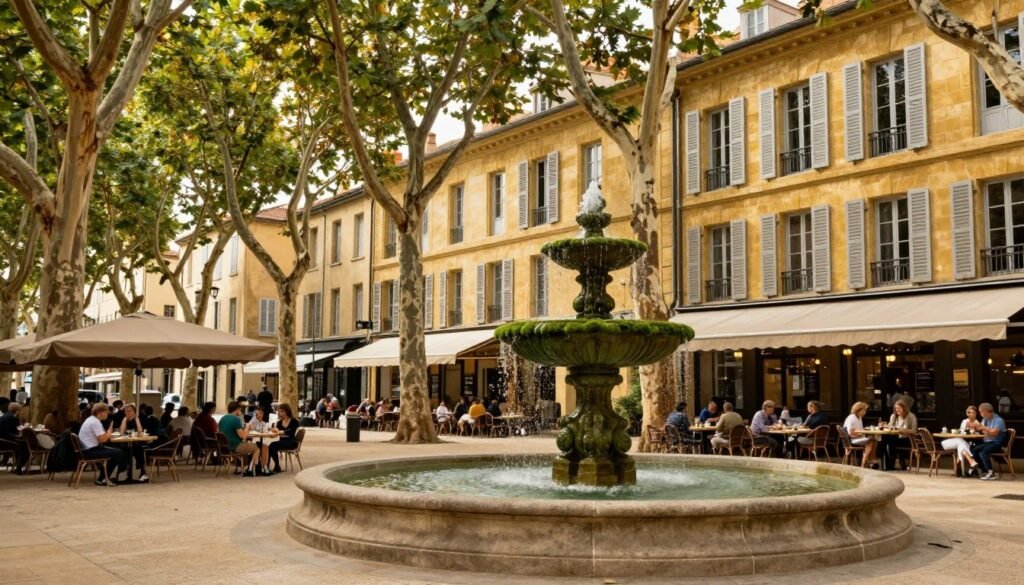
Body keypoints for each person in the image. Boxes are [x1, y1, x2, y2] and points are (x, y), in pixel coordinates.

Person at [79, 403, 128, 486]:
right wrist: (109, 430)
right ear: (100, 412)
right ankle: (105, 477)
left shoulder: (91, 420)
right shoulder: (95, 422)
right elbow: (103, 439)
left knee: (117, 450)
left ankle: (103, 477)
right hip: (90, 451)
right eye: (106, 411)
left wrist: (108, 433)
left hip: (86, 449)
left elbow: (102, 437)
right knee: (118, 453)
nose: (107, 414)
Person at [218, 401, 259, 476]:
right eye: (240, 409)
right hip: (235, 446)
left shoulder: (223, 418)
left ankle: (240, 468)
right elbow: (243, 436)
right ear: (237, 409)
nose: (240, 411)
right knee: (256, 447)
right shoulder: (235, 419)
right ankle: (250, 469)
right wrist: (247, 426)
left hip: (224, 447)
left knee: (246, 444)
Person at [968, 402, 1008, 480]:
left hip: (997, 443)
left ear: (987, 411)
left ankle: (991, 472)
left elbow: (994, 433)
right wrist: (975, 427)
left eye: (981, 411)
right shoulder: (985, 420)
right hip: (988, 442)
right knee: (974, 449)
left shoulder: (998, 420)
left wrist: (983, 428)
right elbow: (983, 430)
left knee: (983, 452)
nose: (980, 413)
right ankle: (983, 470)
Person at [941, 405, 980, 476]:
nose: (973, 414)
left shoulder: (977, 422)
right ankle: (971, 461)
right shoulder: (965, 421)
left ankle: (960, 471)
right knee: (960, 441)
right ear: (967, 413)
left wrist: (975, 429)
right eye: (971, 412)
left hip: (963, 443)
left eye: (974, 412)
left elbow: (978, 432)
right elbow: (962, 432)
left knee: (961, 446)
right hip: (948, 443)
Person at [881, 399, 917, 471]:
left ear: (904, 408)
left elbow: (914, 430)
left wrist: (902, 430)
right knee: (884, 442)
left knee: (890, 442)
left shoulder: (911, 416)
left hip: (907, 439)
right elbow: (890, 426)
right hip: (896, 437)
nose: (897, 410)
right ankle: (887, 465)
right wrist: (886, 426)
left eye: (899, 408)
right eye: (896, 408)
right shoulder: (894, 416)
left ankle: (891, 465)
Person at [118, 404, 149, 481]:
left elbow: (140, 432)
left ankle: (142, 472)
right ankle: (126, 472)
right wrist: (125, 420)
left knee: (138, 450)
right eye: (126, 411)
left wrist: (137, 419)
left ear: (134, 412)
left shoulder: (139, 419)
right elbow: (121, 433)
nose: (127, 412)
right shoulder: (124, 419)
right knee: (123, 451)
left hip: (137, 443)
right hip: (126, 443)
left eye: (130, 411)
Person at [843, 401, 878, 468]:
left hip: (857, 438)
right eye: (864, 410)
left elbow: (860, 430)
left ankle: (870, 460)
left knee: (873, 440)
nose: (865, 412)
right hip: (851, 440)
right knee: (870, 441)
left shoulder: (859, 417)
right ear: (858, 410)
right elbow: (850, 432)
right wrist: (859, 434)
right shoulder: (852, 418)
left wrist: (863, 432)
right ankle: (864, 462)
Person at [268, 403, 299, 474]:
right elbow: (277, 433)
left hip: (291, 441)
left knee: (272, 446)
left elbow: (291, 432)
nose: (280, 413)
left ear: (287, 411)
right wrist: (275, 431)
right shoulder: (279, 422)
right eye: (279, 411)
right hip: (281, 440)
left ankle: (276, 466)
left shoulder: (294, 421)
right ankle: (267, 466)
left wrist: (280, 432)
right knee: (269, 445)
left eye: (282, 411)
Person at [247, 407, 273, 475]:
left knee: (266, 445)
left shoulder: (263, 423)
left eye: (261, 413)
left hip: (260, 440)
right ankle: (256, 467)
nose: (260, 415)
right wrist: (254, 426)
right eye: (258, 413)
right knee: (260, 445)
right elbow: (249, 427)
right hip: (251, 441)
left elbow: (266, 430)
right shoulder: (253, 420)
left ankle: (262, 466)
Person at [0, 402, 23, 472]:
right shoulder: (12, 418)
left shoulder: (4, 416)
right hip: (5, 442)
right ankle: (19, 467)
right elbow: (14, 432)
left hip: (2, 440)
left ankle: (14, 464)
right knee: (23, 446)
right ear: (17, 411)